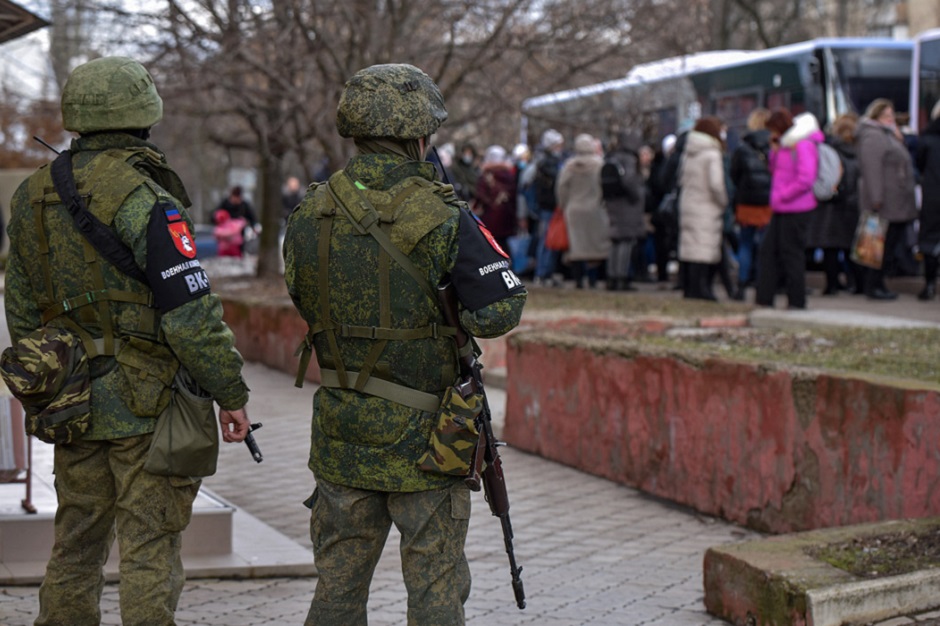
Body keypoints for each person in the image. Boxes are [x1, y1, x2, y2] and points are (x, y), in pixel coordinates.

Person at [4, 56, 251, 626]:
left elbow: (19, 308)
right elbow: (191, 314)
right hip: (147, 407)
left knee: (75, 543)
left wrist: (53, 383)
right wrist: (230, 392)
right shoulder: (146, 197)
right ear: (145, 115)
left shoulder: (33, 195)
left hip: (72, 400)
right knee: (150, 547)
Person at [282, 63, 527, 626]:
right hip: (430, 439)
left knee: (337, 591)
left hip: (343, 429)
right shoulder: (443, 214)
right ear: (420, 135)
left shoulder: (310, 213)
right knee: (435, 589)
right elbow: (498, 312)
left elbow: (303, 294)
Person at [755, 109, 823, 310]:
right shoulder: (785, 146)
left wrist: (782, 195)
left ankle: (796, 300)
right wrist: (774, 152)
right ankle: (766, 297)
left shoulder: (802, 145)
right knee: (770, 251)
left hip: (796, 207)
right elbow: (776, 170)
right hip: (782, 207)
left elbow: (805, 178)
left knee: (791, 254)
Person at [856, 98, 919, 300]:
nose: (890, 119)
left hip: (894, 200)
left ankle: (877, 284)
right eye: (886, 115)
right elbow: (872, 169)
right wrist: (876, 198)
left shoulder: (887, 135)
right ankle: (873, 286)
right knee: (877, 247)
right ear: (876, 116)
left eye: (892, 115)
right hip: (884, 202)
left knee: (887, 245)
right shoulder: (873, 137)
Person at [807, 113, 862, 295]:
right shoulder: (859, 152)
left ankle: (832, 285)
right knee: (850, 247)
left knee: (830, 248)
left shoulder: (830, 150)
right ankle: (856, 283)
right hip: (852, 205)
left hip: (829, 206)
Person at [677, 116, 728, 301]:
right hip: (707, 205)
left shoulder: (688, 152)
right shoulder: (712, 154)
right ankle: (702, 289)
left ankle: (689, 288)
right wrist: (723, 201)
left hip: (688, 204)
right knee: (704, 249)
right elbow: (716, 184)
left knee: (690, 248)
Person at [729, 108, 772, 300]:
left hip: (746, 202)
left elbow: (734, 175)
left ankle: (742, 283)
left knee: (745, 243)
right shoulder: (775, 145)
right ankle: (763, 282)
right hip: (769, 202)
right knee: (765, 244)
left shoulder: (742, 148)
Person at [557, 133, 610, 288]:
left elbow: (561, 188)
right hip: (595, 209)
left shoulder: (569, 166)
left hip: (573, 210)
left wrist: (563, 205)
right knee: (595, 247)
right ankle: (594, 280)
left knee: (577, 247)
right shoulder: (599, 164)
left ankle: (578, 280)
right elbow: (604, 186)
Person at [602, 130, 646, 291]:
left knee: (615, 240)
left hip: (613, 203)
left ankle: (611, 276)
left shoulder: (612, 157)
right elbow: (629, 181)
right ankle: (621, 277)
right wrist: (639, 194)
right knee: (625, 241)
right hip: (627, 206)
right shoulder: (629, 160)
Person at [531, 128, 566, 286]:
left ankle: (547, 273)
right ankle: (542, 273)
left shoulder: (549, 161)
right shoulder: (547, 163)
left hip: (551, 206)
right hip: (548, 207)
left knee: (551, 241)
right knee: (547, 241)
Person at [915, 100, 940, 301]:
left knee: (930, 241)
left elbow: (919, 165)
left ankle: (929, 284)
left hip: (933, 196)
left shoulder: (928, 138)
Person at [473, 145, 518, 254]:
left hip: (490, 216)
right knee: (504, 245)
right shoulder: (509, 175)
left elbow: (481, 195)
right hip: (507, 216)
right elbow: (514, 195)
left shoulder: (486, 175)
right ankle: (508, 267)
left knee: (491, 247)